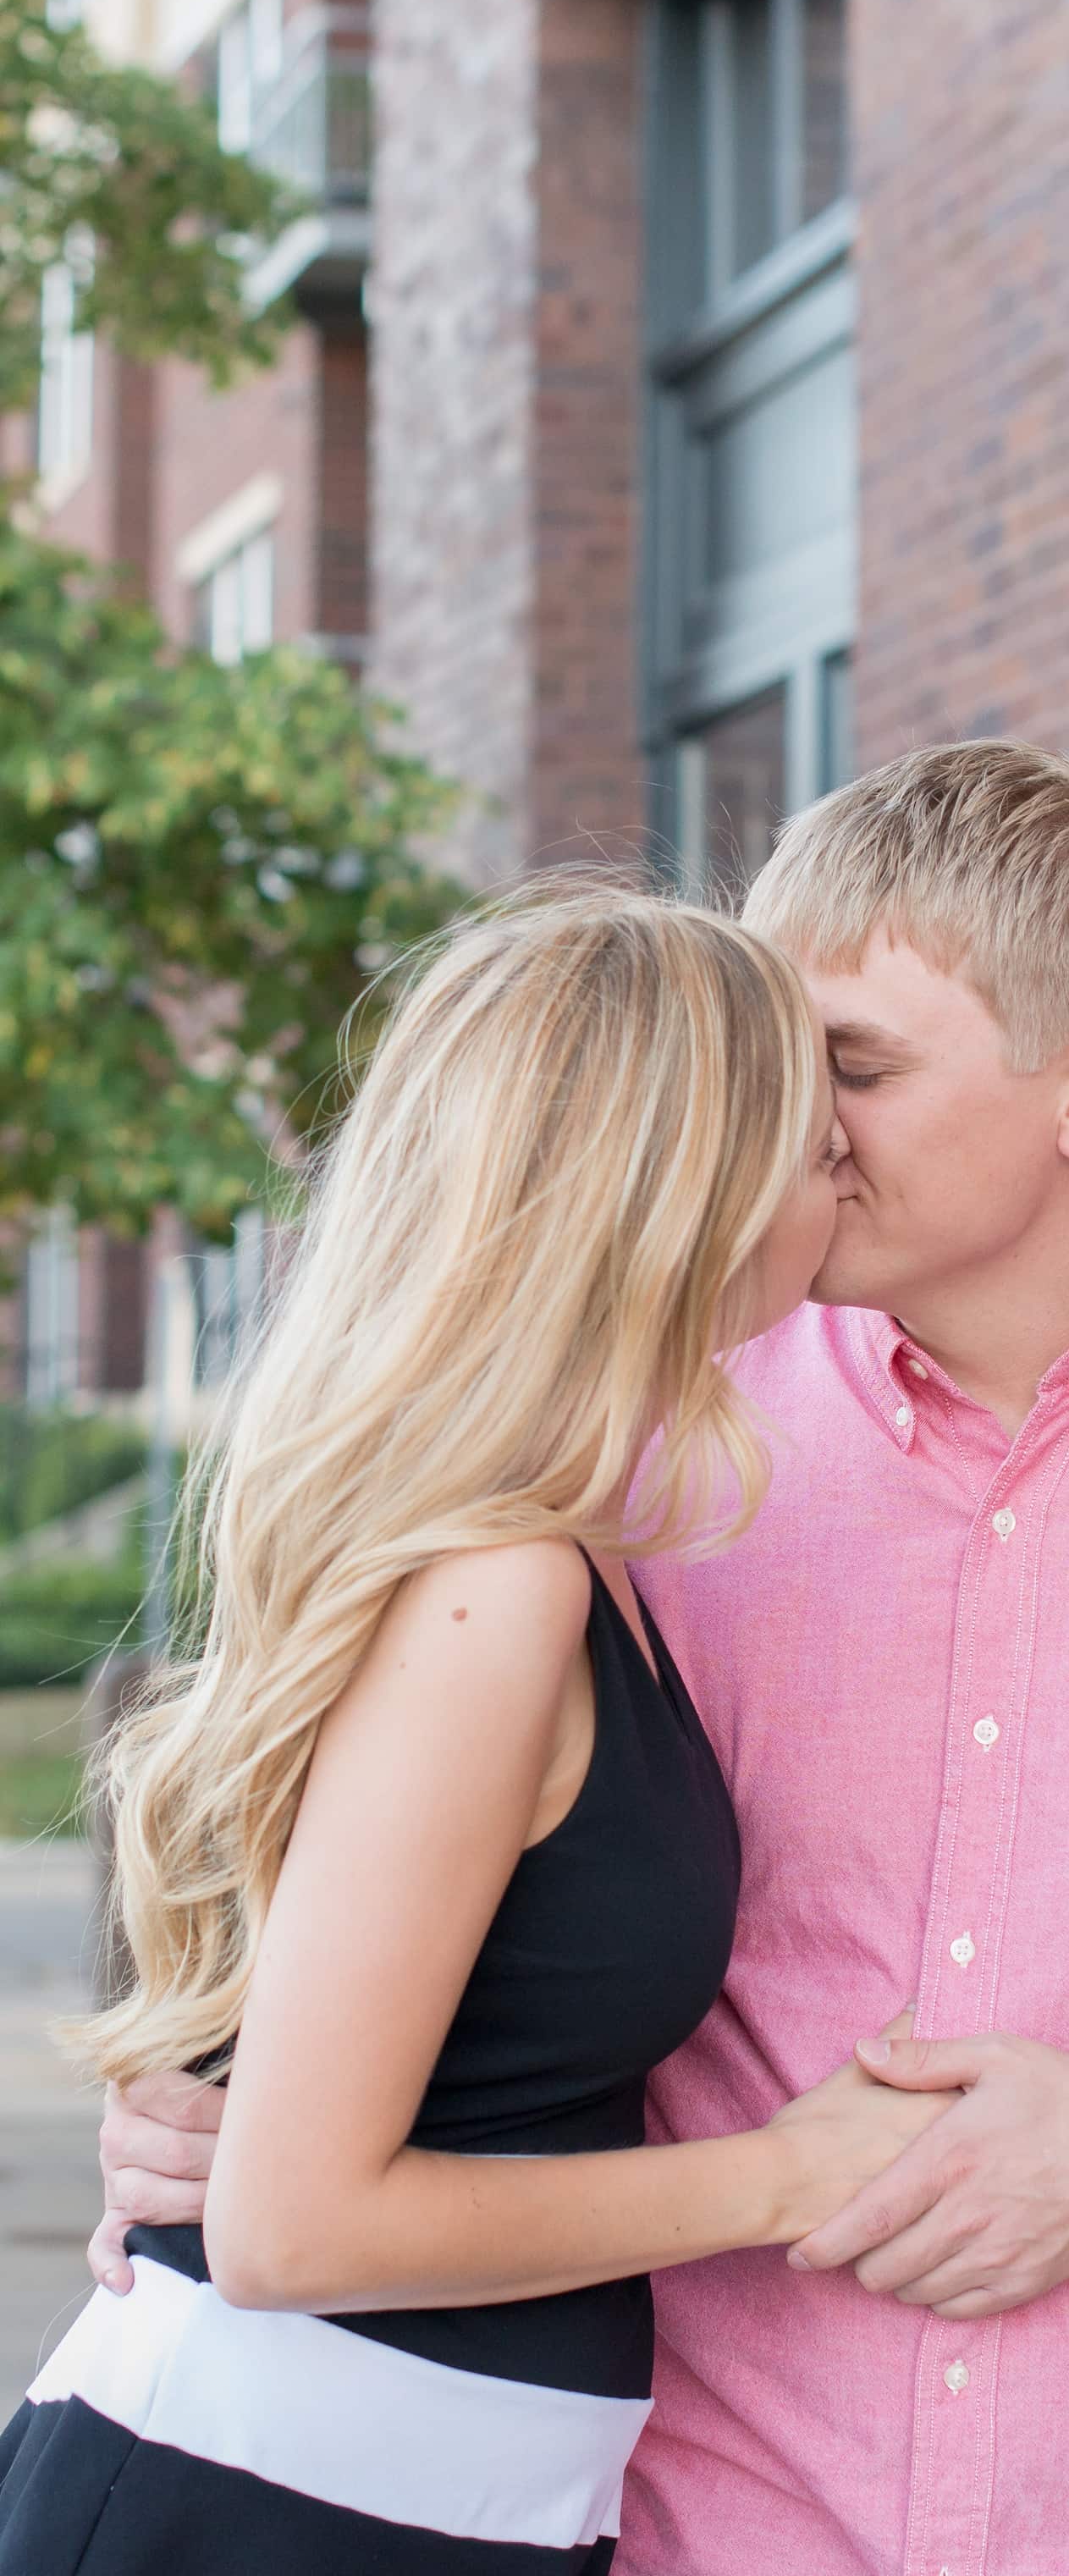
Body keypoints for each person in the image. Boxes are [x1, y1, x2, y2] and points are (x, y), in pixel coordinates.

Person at [91, 742, 1069, 2574]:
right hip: (676, 2535)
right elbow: (342, 1834)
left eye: (852, 1069)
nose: (798, 1136)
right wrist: (221, 2096)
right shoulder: (639, 1469)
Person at [2, 880, 956, 2575]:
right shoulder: (499, 1583)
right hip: (268, 2507)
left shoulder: (587, 1539)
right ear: (688, 1188)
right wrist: (787, 2177)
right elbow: (298, 2225)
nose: (847, 1174)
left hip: (436, 2510)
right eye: (812, 1139)